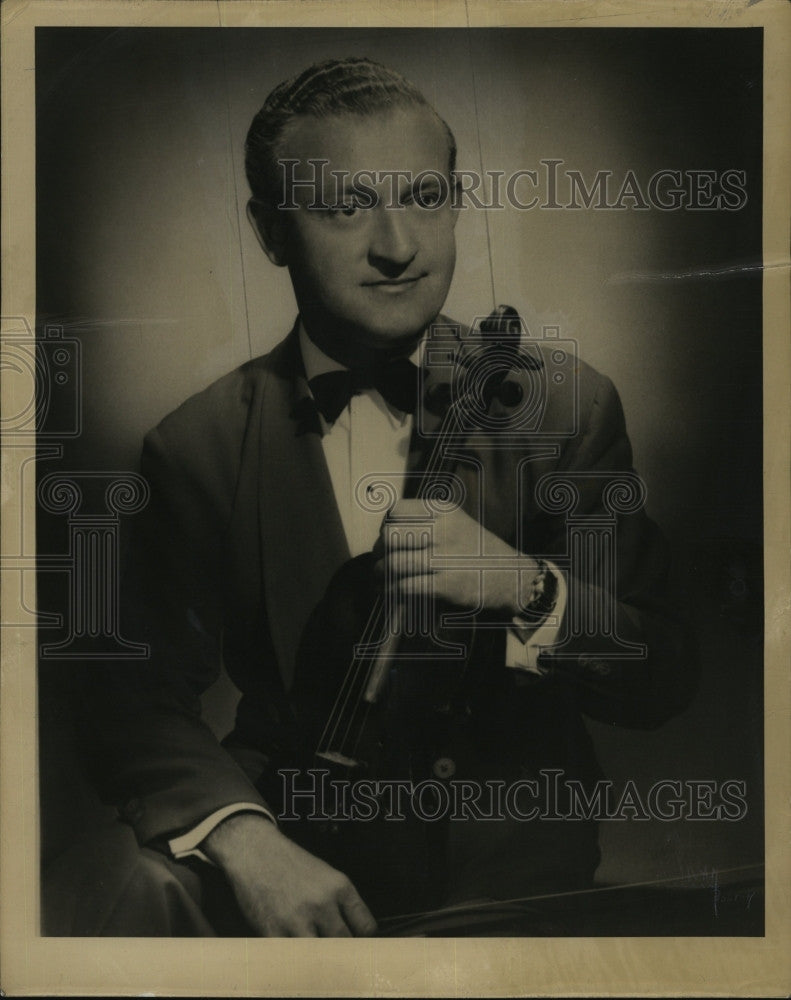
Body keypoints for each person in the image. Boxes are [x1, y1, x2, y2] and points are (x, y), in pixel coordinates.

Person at [74, 57, 696, 937]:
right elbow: (128, 694)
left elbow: (661, 671)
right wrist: (248, 843)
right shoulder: (195, 446)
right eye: (343, 208)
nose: (398, 244)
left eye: (424, 197)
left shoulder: (563, 405)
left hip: (510, 889)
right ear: (270, 232)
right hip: (299, 874)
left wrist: (530, 588)